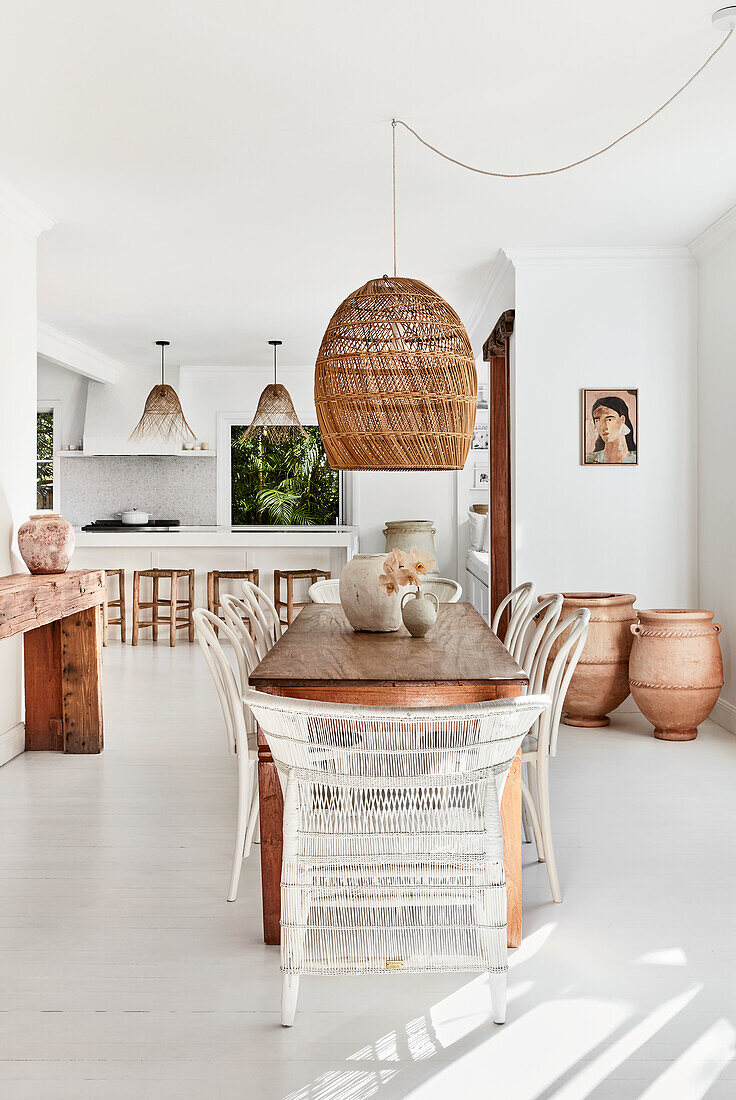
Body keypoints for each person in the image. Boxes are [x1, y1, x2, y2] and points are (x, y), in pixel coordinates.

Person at [585, 395, 637, 464]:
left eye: (609, 420)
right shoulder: (588, 460)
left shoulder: (637, 458)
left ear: (622, 419)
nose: (603, 428)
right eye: (598, 420)